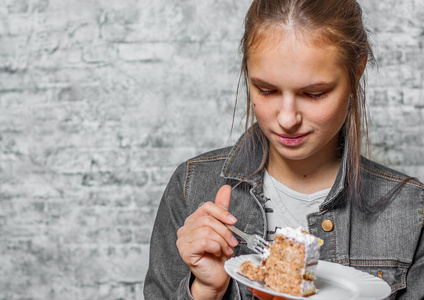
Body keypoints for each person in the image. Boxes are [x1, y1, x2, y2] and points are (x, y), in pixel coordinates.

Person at [144, 0, 424, 299]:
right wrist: (206, 291)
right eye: (267, 90)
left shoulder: (411, 210)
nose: (287, 119)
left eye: (313, 94)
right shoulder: (192, 186)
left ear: (357, 72)